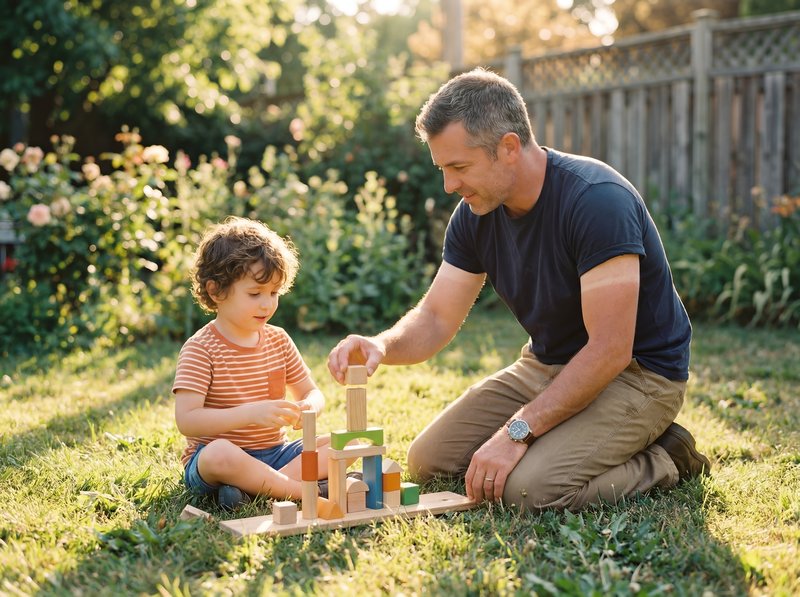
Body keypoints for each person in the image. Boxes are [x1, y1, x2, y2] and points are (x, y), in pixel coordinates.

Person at [328, 68, 711, 512]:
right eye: (442, 169)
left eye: (459, 167)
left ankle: (667, 456)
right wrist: (380, 345)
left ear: (509, 147)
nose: (449, 186)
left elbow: (610, 350)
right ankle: (576, 433)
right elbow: (435, 318)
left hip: (639, 375)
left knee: (527, 490)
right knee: (430, 461)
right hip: (546, 365)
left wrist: (518, 431)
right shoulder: (474, 215)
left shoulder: (597, 201)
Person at [173, 216, 331, 510]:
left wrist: (309, 407)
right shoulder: (200, 348)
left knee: (339, 445)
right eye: (255, 294)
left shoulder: (279, 340)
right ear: (216, 291)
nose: (267, 304)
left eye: (274, 293)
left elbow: (312, 391)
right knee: (219, 453)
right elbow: (187, 420)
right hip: (221, 460)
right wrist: (249, 413)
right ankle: (300, 491)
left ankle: (253, 490)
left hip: (276, 452)